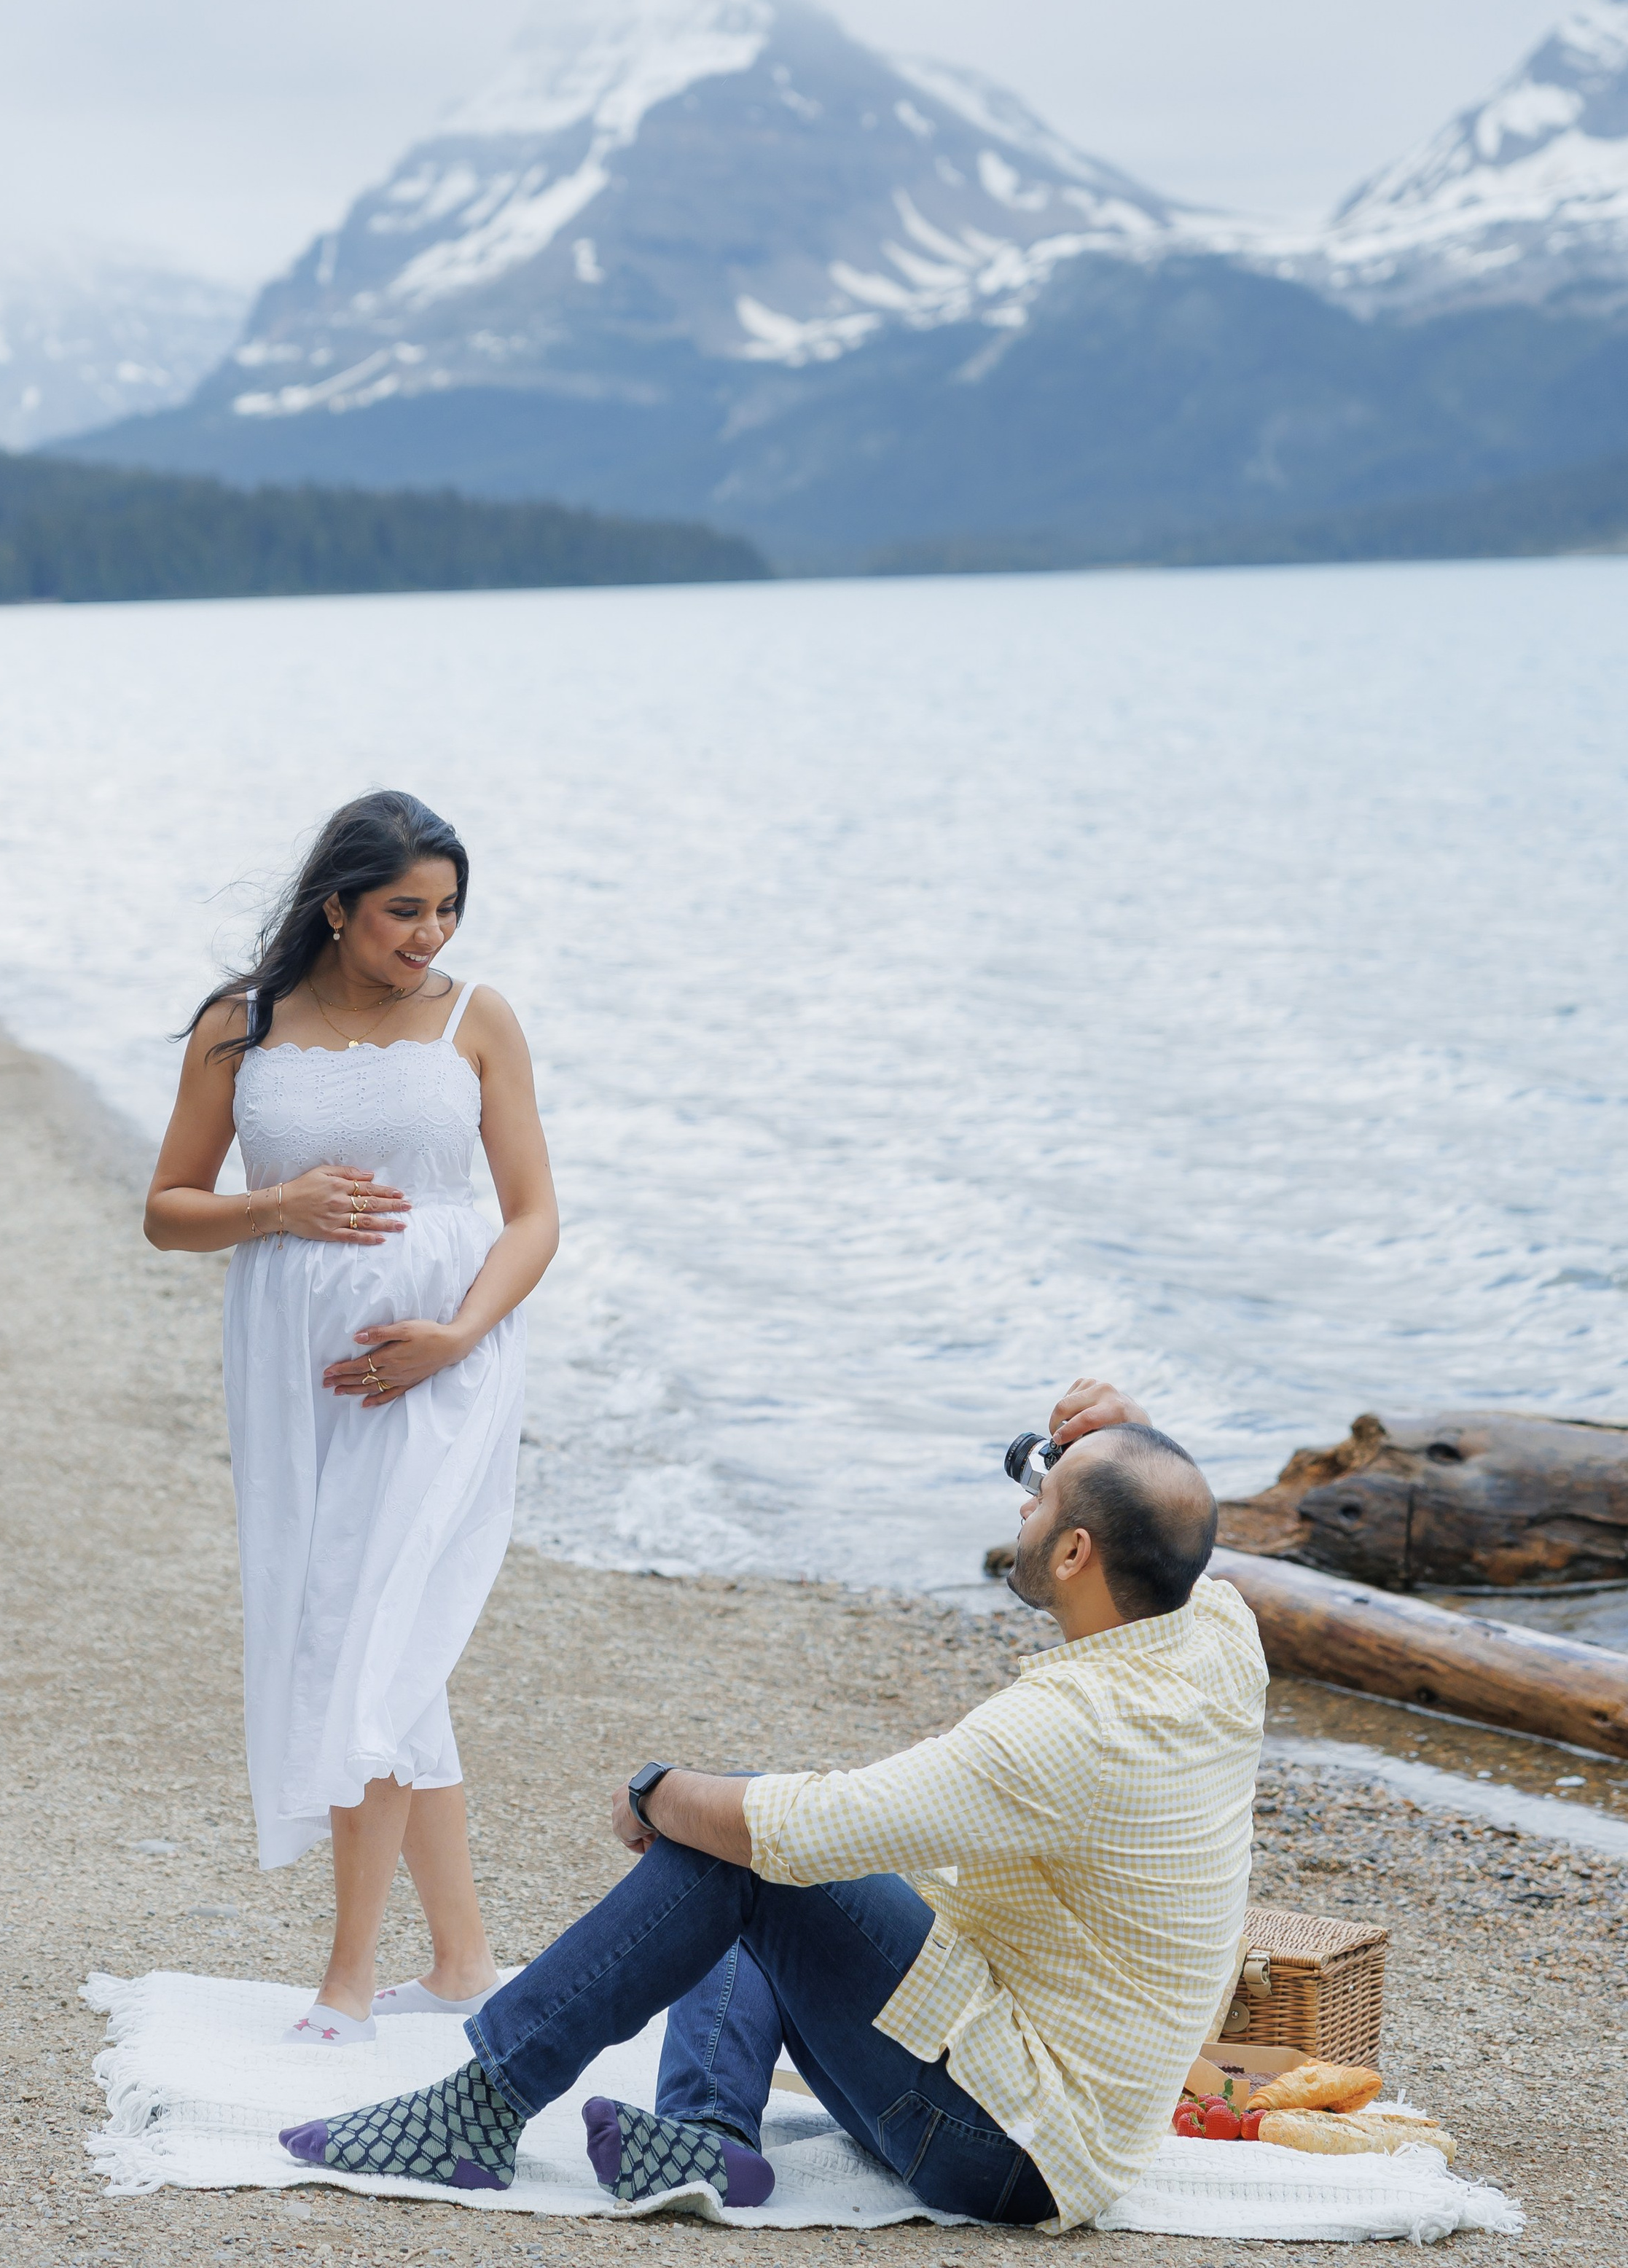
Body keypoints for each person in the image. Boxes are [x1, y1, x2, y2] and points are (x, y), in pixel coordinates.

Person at [277, 1379, 1265, 2229]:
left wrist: (654, 1795)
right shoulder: (1219, 1633)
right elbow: (1171, 1529)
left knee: (742, 1833)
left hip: (1007, 2152)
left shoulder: (1063, 1729)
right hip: (1054, 2105)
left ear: (1076, 1553)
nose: (1021, 1510)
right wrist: (1131, 1438)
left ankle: (480, 2106)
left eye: (1040, 1498)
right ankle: (709, 2139)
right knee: (747, 1821)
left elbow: (805, 1831)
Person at [144, 789, 559, 2044]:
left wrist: (454, 1336)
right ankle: (465, 1963)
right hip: (292, 1380)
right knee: (373, 1638)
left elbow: (535, 1215)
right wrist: (279, 1208)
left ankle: (347, 1982)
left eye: (445, 911)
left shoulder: (476, 1020)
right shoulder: (243, 1026)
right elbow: (168, 1208)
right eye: (401, 913)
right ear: (337, 906)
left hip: (446, 1367)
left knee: (365, 1646)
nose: (428, 936)